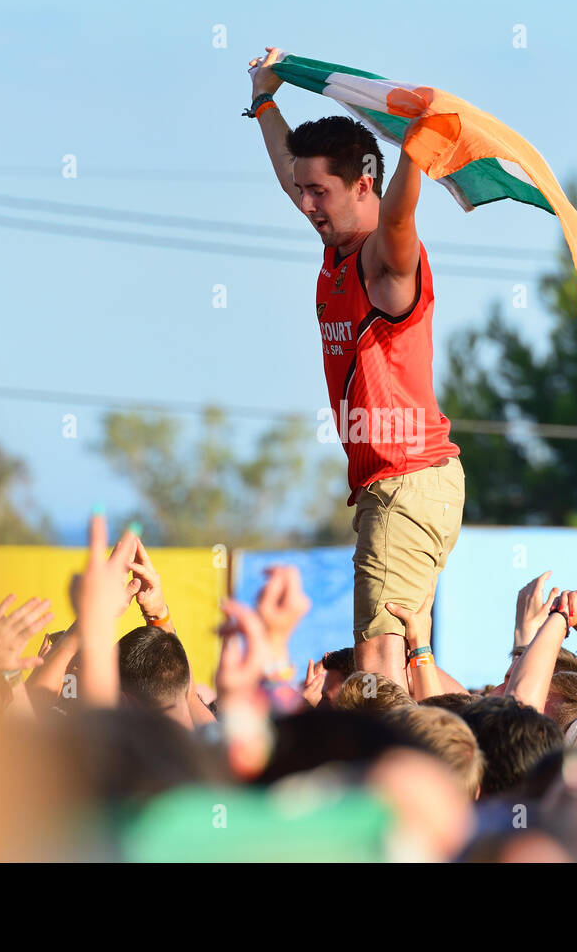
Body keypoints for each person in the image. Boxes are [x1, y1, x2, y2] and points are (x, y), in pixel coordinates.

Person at [246, 46, 465, 690]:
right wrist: (265, 100)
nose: (306, 202)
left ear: (363, 186)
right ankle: (497, 726)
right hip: (393, 486)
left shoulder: (383, 261)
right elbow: (294, 170)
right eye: (302, 189)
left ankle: (416, 780)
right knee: (399, 661)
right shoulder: (337, 244)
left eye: (321, 192)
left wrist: (415, 152)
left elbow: (400, 215)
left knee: (374, 670)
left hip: (406, 481)